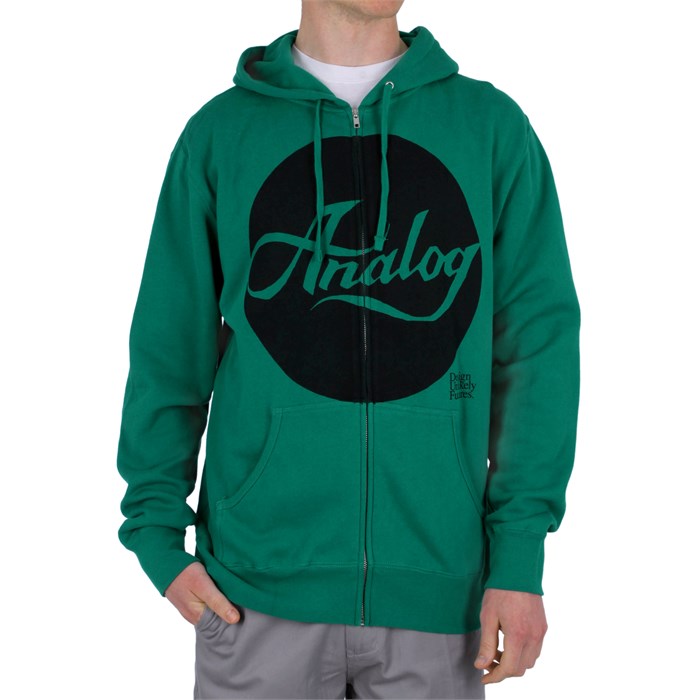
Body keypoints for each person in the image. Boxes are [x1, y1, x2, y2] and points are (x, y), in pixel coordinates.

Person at [116, 0, 581, 697]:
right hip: (254, 591)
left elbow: (537, 353)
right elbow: (169, 350)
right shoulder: (222, 134)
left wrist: (519, 556)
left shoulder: (488, 128)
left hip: (440, 593)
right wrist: (157, 536)